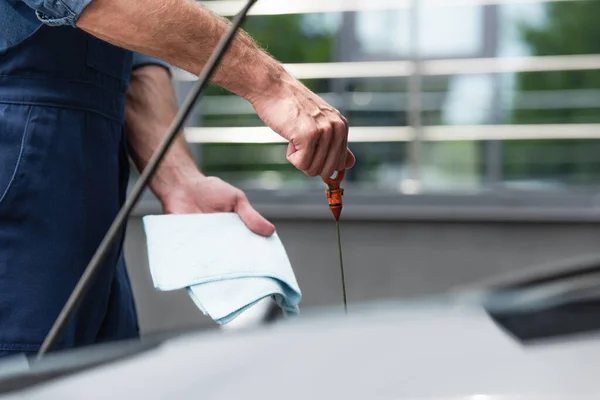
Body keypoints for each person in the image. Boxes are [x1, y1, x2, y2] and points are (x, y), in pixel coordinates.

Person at [0, 0, 356, 357]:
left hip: (88, 212)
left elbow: (130, 54)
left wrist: (177, 177)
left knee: (99, 371)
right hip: (20, 190)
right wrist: (272, 84)